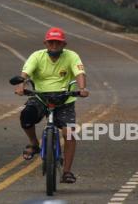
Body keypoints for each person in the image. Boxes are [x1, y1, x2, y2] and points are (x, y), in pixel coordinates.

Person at [14, 27, 89, 184]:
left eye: (58, 42)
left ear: (64, 44)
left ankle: (67, 172)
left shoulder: (72, 56)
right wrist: (21, 85)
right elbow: (25, 73)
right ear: (45, 43)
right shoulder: (36, 56)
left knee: (69, 132)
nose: (54, 45)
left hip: (64, 99)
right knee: (26, 116)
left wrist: (82, 89)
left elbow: (79, 74)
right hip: (41, 98)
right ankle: (34, 144)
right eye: (51, 42)